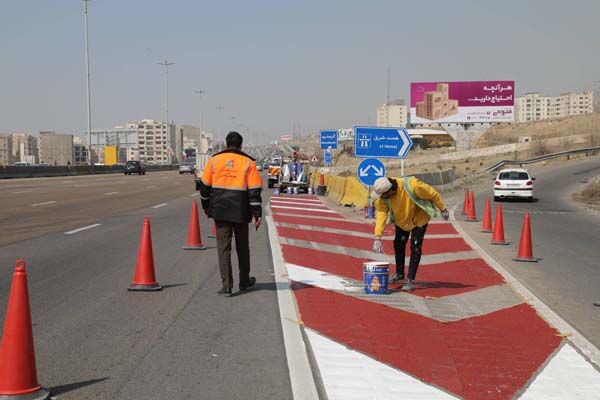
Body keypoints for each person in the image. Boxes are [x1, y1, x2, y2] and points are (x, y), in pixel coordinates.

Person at [199, 131, 263, 297]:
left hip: (220, 210)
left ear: (226, 144)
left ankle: (227, 284)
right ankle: (244, 281)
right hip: (241, 212)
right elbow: (254, 192)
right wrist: (257, 214)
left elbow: (204, 188)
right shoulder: (248, 163)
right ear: (241, 145)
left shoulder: (213, 161)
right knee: (243, 247)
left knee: (223, 248)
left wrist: (206, 206)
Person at [371, 176, 449, 291]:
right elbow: (382, 213)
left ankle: (410, 279)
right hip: (401, 220)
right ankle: (399, 274)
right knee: (398, 243)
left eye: (384, 195)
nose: (382, 198)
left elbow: (433, 194)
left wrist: (443, 209)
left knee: (415, 246)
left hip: (419, 219)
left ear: (391, 191)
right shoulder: (383, 197)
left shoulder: (413, 185)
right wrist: (377, 237)